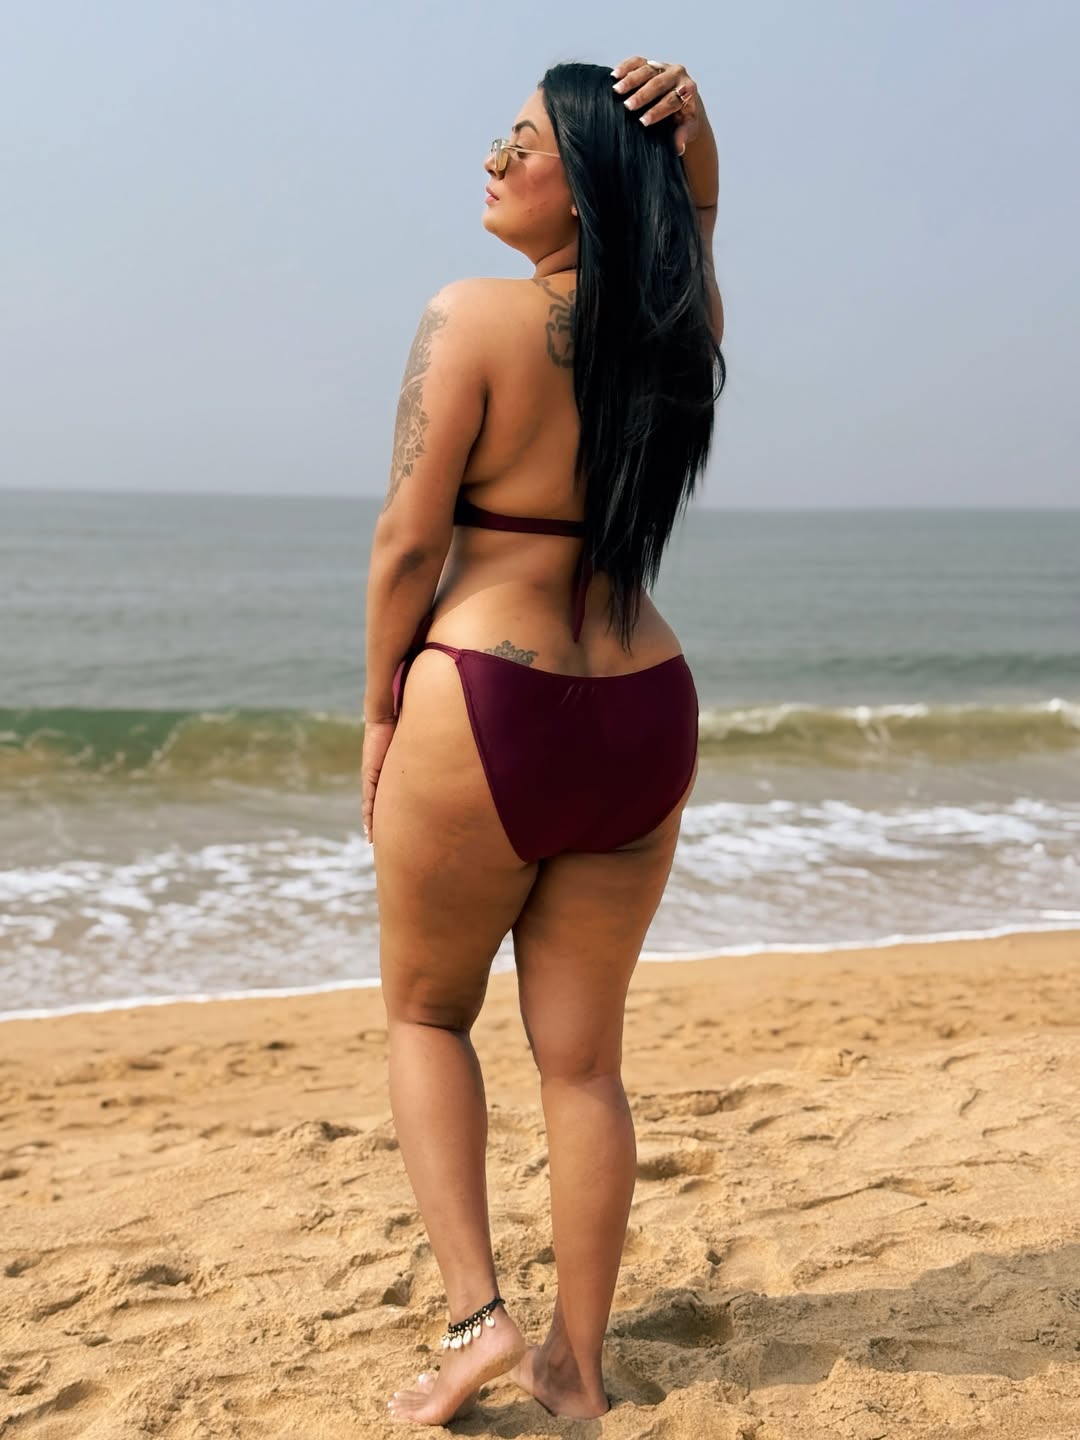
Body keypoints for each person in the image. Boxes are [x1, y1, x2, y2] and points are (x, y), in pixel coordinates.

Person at [363, 53, 725, 1425]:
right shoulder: (676, 333)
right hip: (644, 702)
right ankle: (577, 1364)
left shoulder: (471, 315)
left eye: (521, 144)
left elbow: (407, 549)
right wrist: (694, 129)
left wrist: (379, 713)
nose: (494, 161)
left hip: (488, 695)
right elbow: (693, 224)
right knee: (583, 1065)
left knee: (426, 1013)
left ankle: (480, 1322)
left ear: (586, 186)